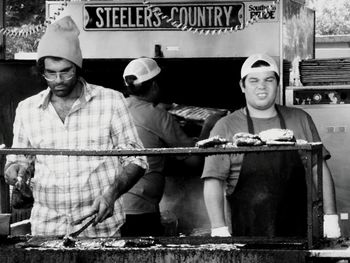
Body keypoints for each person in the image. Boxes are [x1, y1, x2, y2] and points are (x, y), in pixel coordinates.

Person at [4, 16, 148, 237]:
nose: (58, 79)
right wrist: (15, 171)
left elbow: (136, 159)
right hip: (47, 230)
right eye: (50, 73)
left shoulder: (111, 101)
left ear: (78, 68)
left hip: (101, 229)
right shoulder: (27, 109)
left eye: (66, 71)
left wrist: (112, 194)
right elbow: (19, 159)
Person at [202, 53, 341, 238]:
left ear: (277, 84)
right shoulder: (225, 126)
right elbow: (213, 181)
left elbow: (319, 170)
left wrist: (331, 219)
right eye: (253, 80)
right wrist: (218, 228)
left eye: (269, 79)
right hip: (247, 236)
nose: (261, 86)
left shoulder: (300, 119)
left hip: (300, 234)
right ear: (242, 86)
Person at [121, 57, 222, 236]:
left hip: (114, 207)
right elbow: (195, 161)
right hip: (140, 209)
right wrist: (209, 125)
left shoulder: (119, 107)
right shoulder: (158, 116)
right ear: (154, 85)